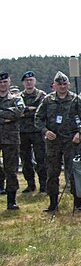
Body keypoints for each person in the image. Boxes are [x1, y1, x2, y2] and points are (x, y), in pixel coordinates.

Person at [35, 71, 81, 213]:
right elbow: (38, 118)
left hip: (71, 141)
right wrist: (45, 131)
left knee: (73, 171)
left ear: (68, 85)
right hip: (53, 142)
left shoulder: (75, 100)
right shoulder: (48, 100)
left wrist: (80, 133)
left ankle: (77, 202)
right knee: (52, 172)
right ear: (54, 85)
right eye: (59, 84)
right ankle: (53, 202)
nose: (62, 87)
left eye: (64, 84)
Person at [0, 71, 26, 210]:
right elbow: (11, 115)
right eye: (0, 82)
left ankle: (11, 200)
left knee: (11, 170)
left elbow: (18, 112)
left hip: (11, 139)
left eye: (5, 82)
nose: (3, 85)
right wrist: (6, 117)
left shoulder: (16, 98)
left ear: (9, 82)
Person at [18, 71, 47, 193]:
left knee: (41, 159)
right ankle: (30, 184)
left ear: (34, 81)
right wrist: (28, 110)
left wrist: (26, 111)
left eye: (31, 80)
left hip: (37, 131)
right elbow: (18, 112)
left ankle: (43, 184)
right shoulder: (18, 97)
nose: (29, 82)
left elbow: (41, 111)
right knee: (25, 160)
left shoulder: (41, 95)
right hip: (22, 132)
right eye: (26, 80)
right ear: (23, 83)